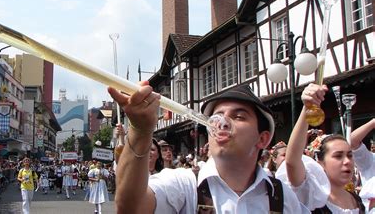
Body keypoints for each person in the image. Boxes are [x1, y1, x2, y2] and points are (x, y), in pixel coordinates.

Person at [108, 82, 306, 213]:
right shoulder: (184, 184)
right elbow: (129, 208)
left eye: (239, 116)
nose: (222, 122)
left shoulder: (283, 198)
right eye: (217, 115)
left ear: (262, 139)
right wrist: (140, 130)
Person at [277, 84, 365, 213]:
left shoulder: (356, 200)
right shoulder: (313, 195)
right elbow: (292, 161)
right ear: (320, 162)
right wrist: (307, 108)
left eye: (350, 155)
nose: (347, 161)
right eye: (338, 156)